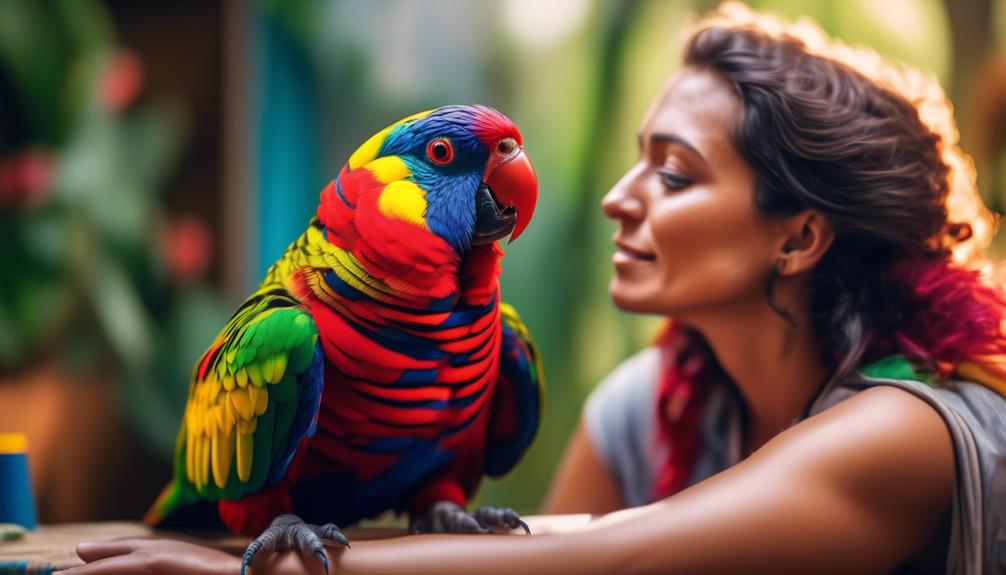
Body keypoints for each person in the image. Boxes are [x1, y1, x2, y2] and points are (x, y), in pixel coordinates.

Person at [56, 3, 1006, 574]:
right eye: (635, 160)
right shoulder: (646, 406)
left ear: (800, 236)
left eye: (672, 173)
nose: (612, 198)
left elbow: (601, 560)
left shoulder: (910, 426)